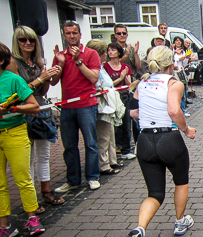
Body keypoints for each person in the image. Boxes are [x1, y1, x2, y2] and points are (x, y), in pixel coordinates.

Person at [124, 46, 196, 237]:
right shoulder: (174, 83)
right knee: (181, 181)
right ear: (171, 62)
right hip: (168, 139)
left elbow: (133, 112)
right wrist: (186, 130)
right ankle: (180, 222)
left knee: (155, 192)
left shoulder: (141, 83)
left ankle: (140, 229)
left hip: (145, 141)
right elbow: (174, 110)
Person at [6, 26, 64, 213]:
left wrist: (48, 78)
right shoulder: (12, 63)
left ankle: (46, 190)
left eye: (31, 39)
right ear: (17, 42)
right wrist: (41, 78)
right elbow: (17, 93)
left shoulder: (38, 61)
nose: (28, 43)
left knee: (43, 154)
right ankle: (31, 200)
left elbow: (43, 91)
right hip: (23, 112)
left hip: (40, 111)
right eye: (23, 40)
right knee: (27, 159)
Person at [0, 42, 45, 237]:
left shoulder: (13, 80)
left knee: (22, 178)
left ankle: (32, 218)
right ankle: (5, 226)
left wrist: (11, 108)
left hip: (15, 133)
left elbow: (34, 106)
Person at [51, 21, 101, 192]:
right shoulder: (60, 55)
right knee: (69, 146)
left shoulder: (90, 53)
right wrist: (61, 64)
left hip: (86, 105)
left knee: (90, 143)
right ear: (64, 35)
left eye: (74, 33)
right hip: (66, 106)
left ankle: (93, 177)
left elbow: (93, 78)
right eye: (68, 33)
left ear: (80, 35)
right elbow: (53, 81)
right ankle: (72, 180)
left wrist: (78, 62)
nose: (71, 36)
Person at [86, 39, 125, 176]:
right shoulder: (94, 68)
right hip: (102, 103)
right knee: (103, 135)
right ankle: (103, 165)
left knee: (109, 133)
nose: (106, 55)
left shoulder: (101, 67)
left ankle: (112, 160)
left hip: (109, 102)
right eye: (103, 52)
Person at [103, 42, 135, 160]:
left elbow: (129, 84)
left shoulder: (125, 67)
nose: (110, 52)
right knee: (115, 124)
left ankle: (126, 149)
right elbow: (107, 84)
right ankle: (116, 148)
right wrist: (120, 78)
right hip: (112, 96)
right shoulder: (105, 67)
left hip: (125, 95)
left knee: (126, 123)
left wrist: (125, 76)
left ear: (119, 52)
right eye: (109, 50)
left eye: (113, 50)